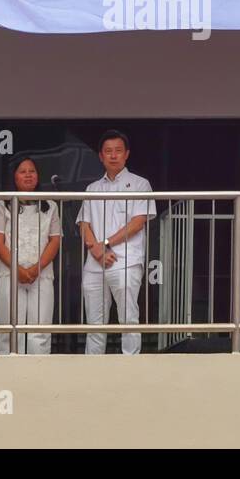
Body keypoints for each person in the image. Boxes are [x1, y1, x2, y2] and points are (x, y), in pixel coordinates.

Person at [76, 130, 156, 355]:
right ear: (101, 156)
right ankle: (93, 366)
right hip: (94, 263)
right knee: (94, 323)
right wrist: (97, 250)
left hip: (126, 261)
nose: (113, 155)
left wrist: (105, 243)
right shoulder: (92, 188)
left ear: (126, 154)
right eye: (108, 151)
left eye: (118, 151)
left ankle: (130, 366)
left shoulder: (140, 184)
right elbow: (84, 224)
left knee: (128, 318)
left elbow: (138, 222)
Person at [0, 155, 61, 355]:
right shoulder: (3, 205)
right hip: (10, 274)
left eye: (32, 171)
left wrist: (35, 269)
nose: (28, 175)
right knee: (10, 329)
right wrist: (18, 269)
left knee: (40, 329)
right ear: (14, 177)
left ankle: (38, 371)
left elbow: (55, 240)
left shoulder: (50, 206)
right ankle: (11, 370)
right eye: (23, 172)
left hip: (42, 274)